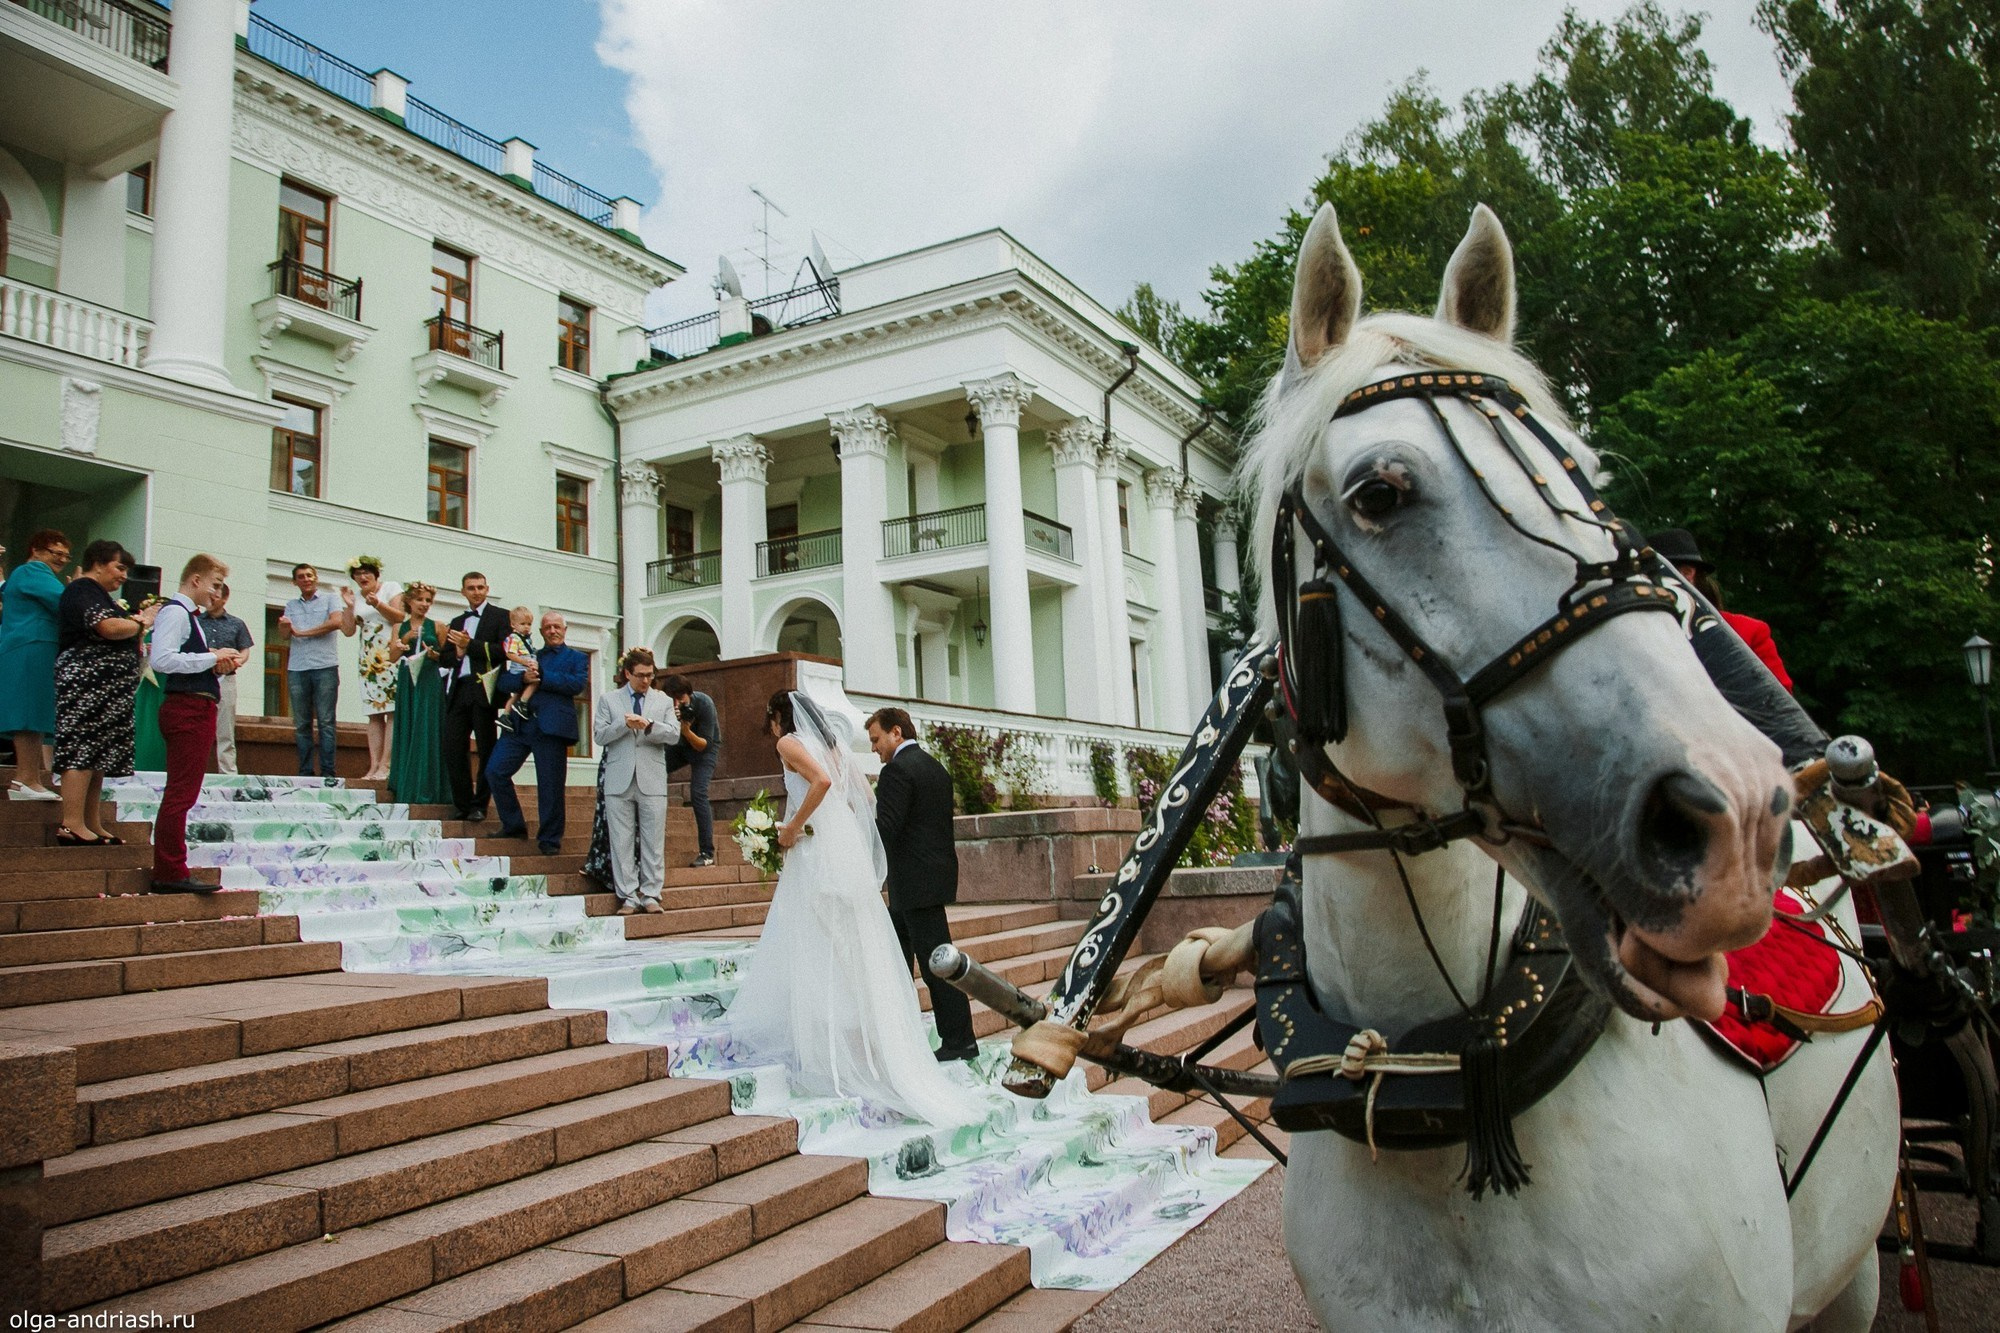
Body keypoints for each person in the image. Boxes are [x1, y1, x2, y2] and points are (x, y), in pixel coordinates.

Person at [726, 691, 984, 1124]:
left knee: (823, 941)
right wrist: (841, 833)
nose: (875, 746)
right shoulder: (837, 749)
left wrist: (793, 828)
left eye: (878, 738)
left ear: (777, 717)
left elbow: (823, 785)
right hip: (863, 857)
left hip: (826, 853)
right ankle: (885, 1039)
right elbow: (863, 799)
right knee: (868, 949)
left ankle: (839, 1045)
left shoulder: (788, 743)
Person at [867, 706, 978, 1061]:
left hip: (914, 883)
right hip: (928, 879)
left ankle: (960, 1041)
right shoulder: (934, 766)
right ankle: (901, 1037)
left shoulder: (897, 770)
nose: (873, 748)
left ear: (896, 732)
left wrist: (855, 830)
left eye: (876, 739)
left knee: (937, 965)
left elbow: (887, 827)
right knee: (898, 958)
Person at [149, 555, 248, 893]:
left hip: (198, 706)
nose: (216, 593)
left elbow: (184, 662)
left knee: (184, 793)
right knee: (180, 793)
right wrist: (211, 657)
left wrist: (215, 666)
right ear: (195, 580)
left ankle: (172, 868)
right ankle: (170, 870)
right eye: (214, 585)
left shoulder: (188, 617)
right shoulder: (176, 613)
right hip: (187, 709)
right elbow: (161, 659)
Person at [53, 541, 153, 845]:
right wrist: (140, 624)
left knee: (97, 757)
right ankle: (71, 824)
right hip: (86, 686)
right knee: (81, 751)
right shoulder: (82, 589)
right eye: (119, 567)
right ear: (97, 563)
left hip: (106, 692)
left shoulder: (100, 594)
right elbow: (107, 627)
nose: (124, 576)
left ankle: (91, 822)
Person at [485, 610, 587, 855]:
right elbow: (504, 682)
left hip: (552, 728)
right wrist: (523, 679)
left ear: (565, 629)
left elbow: (576, 684)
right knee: (494, 771)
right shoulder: (530, 653)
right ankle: (513, 825)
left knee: (550, 786)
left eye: (557, 626)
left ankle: (550, 840)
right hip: (519, 726)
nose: (552, 631)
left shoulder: (577, 657)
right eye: (547, 627)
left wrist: (541, 675)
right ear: (541, 632)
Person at [1649, 527, 1793, 692]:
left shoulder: (1747, 632)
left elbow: (1779, 700)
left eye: (1651, 575)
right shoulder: (1643, 635)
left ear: (1687, 573)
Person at [593, 647, 676, 914]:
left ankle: (651, 894)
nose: (646, 680)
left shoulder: (663, 701)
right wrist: (624, 725)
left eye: (650, 675)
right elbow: (599, 736)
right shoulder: (609, 700)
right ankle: (628, 896)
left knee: (653, 840)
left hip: (652, 777)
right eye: (640, 675)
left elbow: (674, 735)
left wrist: (649, 725)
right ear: (627, 673)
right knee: (621, 840)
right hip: (619, 777)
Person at [0, 529, 69, 799]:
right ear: (36, 551)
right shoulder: (33, 571)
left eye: (65, 555)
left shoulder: (25, 575)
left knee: (34, 717)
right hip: (32, 648)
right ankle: (25, 779)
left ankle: (27, 780)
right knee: (29, 715)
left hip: (31, 649)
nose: (61, 559)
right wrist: (82, 590)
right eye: (56, 553)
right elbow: (66, 603)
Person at [437, 571, 510, 821]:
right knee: (453, 747)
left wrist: (471, 646)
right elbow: (445, 658)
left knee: (486, 747)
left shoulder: (500, 616)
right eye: (471, 588)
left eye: (480, 587)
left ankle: (480, 805)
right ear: (463, 592)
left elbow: (504, 651)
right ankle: (463, 804)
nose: (476, 592)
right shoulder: (458, 621)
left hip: (484, 689)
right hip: (459, 688)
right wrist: (458, 653)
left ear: (487, 589)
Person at [279, 563, 351, 776]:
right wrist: (284, 627)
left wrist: (303, 633)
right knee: (302, 724)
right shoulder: (291, 605)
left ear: (316, 578)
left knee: (326, 722)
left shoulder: (330, 599)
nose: (306, 579)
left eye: (309, 575)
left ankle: (328, 772)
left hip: (324, 666)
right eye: (301, 576)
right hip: (297, 668)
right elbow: (284, 635)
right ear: (295, 582)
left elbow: (336, 622)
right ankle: (305, 772)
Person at [387, 582, 452, 805]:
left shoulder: (438, 626)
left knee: (426, 728)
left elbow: (448, 658)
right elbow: (392, 657)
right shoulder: (399, 626)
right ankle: (406, 782)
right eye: (419, 599)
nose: (424, 604)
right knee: (409, 725)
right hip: (408, 680)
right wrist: (405, 639)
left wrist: (435, 655)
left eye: (428, 601)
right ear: (409, 601)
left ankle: (428, 785)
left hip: (429, 680)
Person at [341, 556, 405, 782]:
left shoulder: (390, 588)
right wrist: (349, 607)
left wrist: (377, 603)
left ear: (376, 573)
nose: (362, 577)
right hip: (368, 659)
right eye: (358, 574)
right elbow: (348, 630)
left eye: (367, 572)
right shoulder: (356, 596)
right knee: (374, 713)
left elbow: (400, 617)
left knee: (391, 710)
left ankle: (386, 765)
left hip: (389, 654)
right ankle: (374, 765)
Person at [662, 673, 721, 867]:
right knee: (653, 771)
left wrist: (686, 730)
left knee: (698, 793)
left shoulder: (704, 704)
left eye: (681, 699)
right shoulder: (665, 707)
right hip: (678, 746)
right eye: (673, 700)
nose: (677, 705)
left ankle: (707, 852)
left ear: (690, 694)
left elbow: (704, 745)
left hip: (704, 748)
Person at [199, 583, 254, 775]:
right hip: (200, 678)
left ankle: (228, 772)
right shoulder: (196, 621)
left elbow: (244, 649)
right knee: (198, 727)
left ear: (224, 599)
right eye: (209, 594)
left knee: (225, 728)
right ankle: (197, 771)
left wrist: (237, 662)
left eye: (215, 596)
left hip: (226, 679)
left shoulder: (236, 623)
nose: (211, 599)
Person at [495, 606, 539, 733]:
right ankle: (522, 703)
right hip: (520, 666)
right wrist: (524, 662)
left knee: (517, 693)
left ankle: (505, 715)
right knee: (535, 681)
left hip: (525, 663)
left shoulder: (526, 638)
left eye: (529, 624)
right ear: (513, 624)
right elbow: (510, 654)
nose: (526, 627)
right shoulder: (514, 638)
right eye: (523, 624)